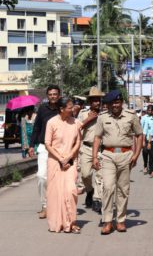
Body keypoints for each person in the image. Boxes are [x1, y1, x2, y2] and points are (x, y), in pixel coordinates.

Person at [92, 90, 143, 235]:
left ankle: (120, 220)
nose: (115, 105)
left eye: (118, 102)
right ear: (108, 104)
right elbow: (97, 137)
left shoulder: (131, 116)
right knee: (108, 187)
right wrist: (95, 157)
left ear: (121, 103)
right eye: (113, 102)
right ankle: (107, 221)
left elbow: (140, 135)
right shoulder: (102, 117)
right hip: (108, 154)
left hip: (126, 155)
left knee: (123, 189)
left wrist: (137, 154)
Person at [45, 97, 82, 233]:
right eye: (70, 107)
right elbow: (48, 143)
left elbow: (78, 142)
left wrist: (69, 156)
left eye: (73, 107)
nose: (73, 109)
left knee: (71, 190)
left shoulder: (75, 122)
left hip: (71, 161)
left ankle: (71, 223)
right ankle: (57, 224)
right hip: (55, 161)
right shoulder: (51, 123)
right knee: (55, 193)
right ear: (61, 109)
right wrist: (61, 159)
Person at [29, 85, 61, 219]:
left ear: (59, 95)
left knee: (59, 179)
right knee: (42, 177)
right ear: (47, 96)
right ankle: (45, 206)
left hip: (60, 149)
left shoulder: (63, 108)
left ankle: (58, 206)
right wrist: (31, 145)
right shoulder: (42, 109)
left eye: (55, 94)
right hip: (44, 147)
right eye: (50, 94)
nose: (53, 96)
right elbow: (36, 127)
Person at [77, 87, 105, 213]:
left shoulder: (105, 115)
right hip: (87, 148)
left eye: (99, 100)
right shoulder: (83, 113)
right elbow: (76, 129)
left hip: (101, 149)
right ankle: (90, 190)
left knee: (100, 176)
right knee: (85, 174)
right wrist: (88, 119)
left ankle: (97, 199)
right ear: (90, 102)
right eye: (94, 100)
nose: (97, 103)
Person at [141, 105, 153, 174]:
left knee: (152, 154)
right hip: (145, 138)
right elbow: (142, 129)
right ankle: (145, 166)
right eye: (149, 110)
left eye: (151, 110)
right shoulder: (144, 118)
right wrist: (142, 140)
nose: (150, 111)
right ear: (147, 110)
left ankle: (151, 168)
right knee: (145, 152)